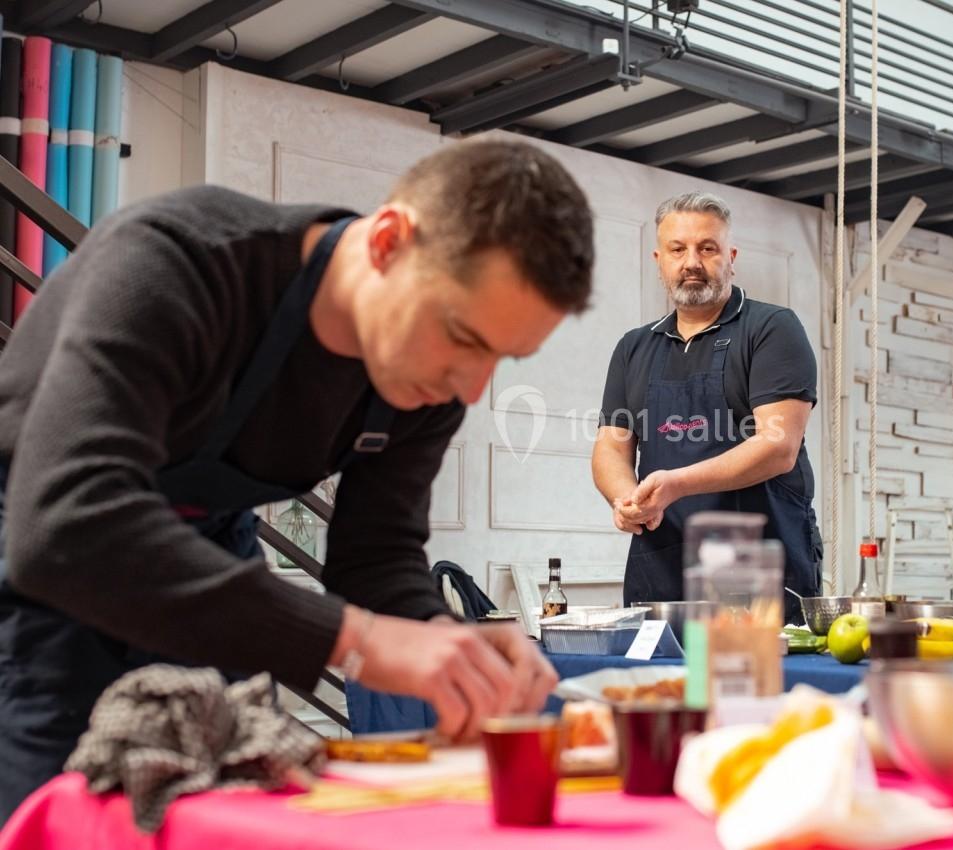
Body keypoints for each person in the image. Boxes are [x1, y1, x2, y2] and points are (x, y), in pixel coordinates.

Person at [0, 138, 591, 818]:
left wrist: (440, 639)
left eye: (505, 359)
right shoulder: (179, 260)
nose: (474, 387)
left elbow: (376, 556)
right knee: (58, 820)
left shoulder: (429, 386)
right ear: (389, 242)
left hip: (210, 562)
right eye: (463, 335)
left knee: (235, 818)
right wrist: (359, 641)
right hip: (38, 573)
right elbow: (65, 524)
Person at [592, 191, 821, 625]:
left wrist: (675, 484)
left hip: (757, 564)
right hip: (662, 564)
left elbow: (778, 446)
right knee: (658, 692)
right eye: (678, 249)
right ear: (659, 259)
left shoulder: (772, 328)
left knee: (754, 690)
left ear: (730, 257)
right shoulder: (634, 347)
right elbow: (611, 446)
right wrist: (627, 499)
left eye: (707, 248)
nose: (691, 261)